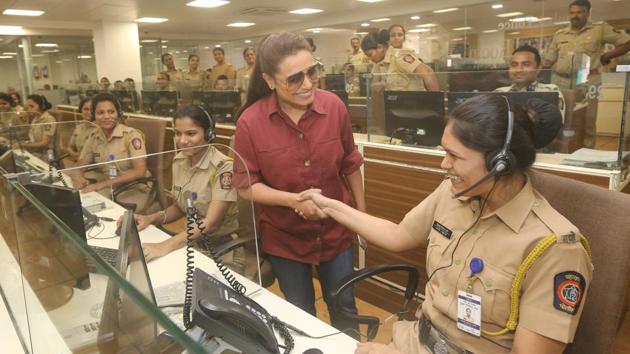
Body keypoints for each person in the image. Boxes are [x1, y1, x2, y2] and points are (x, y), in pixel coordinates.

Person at [299, 95, 593, 354]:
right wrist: (329, 205)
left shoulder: (554, 249)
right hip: (415, 340)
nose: (444, 164)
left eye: (454, 156)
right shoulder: (454, 193)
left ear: (500, 162)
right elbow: (397, 234)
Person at [233, 32, 365, 336]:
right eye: (294, 78)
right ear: (269, 80)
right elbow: (246, 185)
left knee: (345, 309)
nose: (307, 84)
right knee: (300, 313)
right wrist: (294, 201)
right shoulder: (250, 123)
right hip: (284, 238)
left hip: (336, 232)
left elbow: (350, 162)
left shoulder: (334, 107)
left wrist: (360, 216)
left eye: (312, 72)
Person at [134, 105, 242, 270]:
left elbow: (211, 223)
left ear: (208, 133)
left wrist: (166, 245)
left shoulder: (224, 168)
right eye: (178, 133)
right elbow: (179, 207)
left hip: (221, 251)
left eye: (191, 133)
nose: (182, 141)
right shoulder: (179, 161)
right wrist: (151, 218)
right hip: (190, 244)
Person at [543, 0, 630, 147]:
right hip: (561, 81)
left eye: (579, 12)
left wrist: (607, 56)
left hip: (588, 80)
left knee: (587, 121)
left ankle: (587, 152)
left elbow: (626, 42)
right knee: (561, 119)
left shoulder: (599, 28)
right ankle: (561, 150)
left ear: (588, 13)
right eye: (572, 12)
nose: (574, 16)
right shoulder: (560, 34)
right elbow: (548, 60)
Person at [70, 93, 151, 211]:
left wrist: (101, 185)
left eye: (111, 112)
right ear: (94, 115)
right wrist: (78, 176)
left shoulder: (131, 135)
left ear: (118, 113)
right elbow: (81, 163)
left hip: (134, 188)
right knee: (80, 203)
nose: (106, 116)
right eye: (100, 113)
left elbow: (140, 171)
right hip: (109, 186)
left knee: (93, 210)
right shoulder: (94, 136)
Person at [495, 45, 566, 122]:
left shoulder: (550, 91)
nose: (519, 70)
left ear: (538, 68)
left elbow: (553, 124)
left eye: (526, 64)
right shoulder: (499, 92)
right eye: (514, 65)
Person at [362, 29, 439, 91]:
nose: (370, 59)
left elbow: (428, 73)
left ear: (380, 48)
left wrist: (435, 102)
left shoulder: (399, 56)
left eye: (370, 54)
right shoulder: (380, 63)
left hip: (416, 104)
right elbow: (375, 85)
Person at [16, 94, 56, 159]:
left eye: (32, 106)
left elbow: (45, 143)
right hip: (36, 151)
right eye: (28, 107)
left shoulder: (49, 119)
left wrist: (24, 144)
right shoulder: (35, 118)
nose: (29, 109)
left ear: (42, 106)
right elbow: (31, 137)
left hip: (48, 153)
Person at [62, 97, 96, 162]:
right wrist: (74, 154)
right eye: (86, 109)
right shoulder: (79, 127)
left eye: (92, 109)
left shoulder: (100, 128)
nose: (89, 112)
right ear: (81, 110)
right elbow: (69, 147)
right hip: (79, 162)